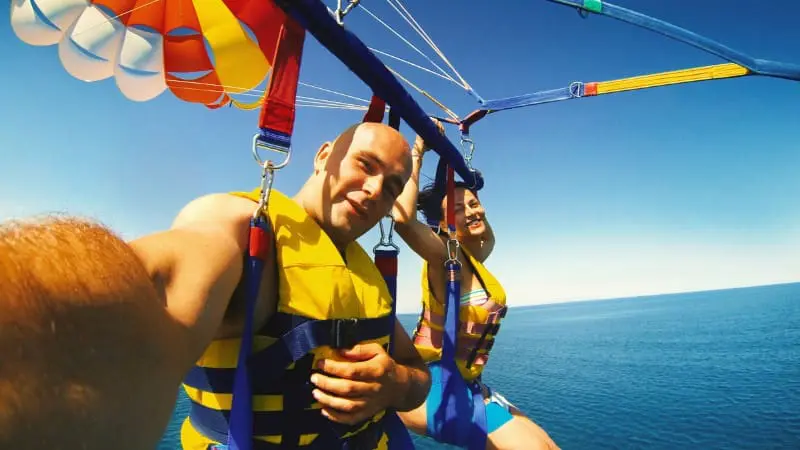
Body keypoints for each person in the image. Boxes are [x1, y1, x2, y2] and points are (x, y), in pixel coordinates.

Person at [0, 122, 431, 450]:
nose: (375, 190)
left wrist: (394, 381)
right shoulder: (244, 232)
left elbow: (419, 376)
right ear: (322, 156)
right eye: (365, 165)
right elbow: (157, 274)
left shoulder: (368, 273)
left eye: (392, 186)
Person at [391, 119, 560, 450]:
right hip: (431, 385)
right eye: (459, 209)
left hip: (466, 385)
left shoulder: (476, 254)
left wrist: (451, 160)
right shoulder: (443, 256)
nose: (472, 211)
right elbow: (402, 219)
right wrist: (419, 150)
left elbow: (486, 228)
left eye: (473, 203)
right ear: (443, 225)